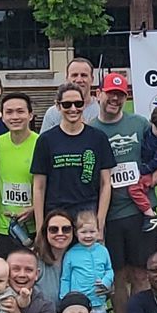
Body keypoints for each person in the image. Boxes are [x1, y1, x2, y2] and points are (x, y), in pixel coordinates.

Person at [89, 72, 157, 301]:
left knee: (141, 274)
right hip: (111, 213)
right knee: (117, 277)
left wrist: (155, 178)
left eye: (120, 95)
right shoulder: (91, 130)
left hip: (141, 212)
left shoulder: (139, 123)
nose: (115, 99)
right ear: (98, 94)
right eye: (110, 93)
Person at [31, 84, 116, 227]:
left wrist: (99, 224)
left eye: (78, 103)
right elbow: (39, 186)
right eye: (66, 104)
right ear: (58, 106)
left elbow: (106, 183)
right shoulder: (46, 140)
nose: (73, 109)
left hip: (88, 213)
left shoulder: (98, 138)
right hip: (56, 213)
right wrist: (40, 227)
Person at [0, 92, 39, 255]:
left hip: (33, 227)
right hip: (4, 226)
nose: (15, 117)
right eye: (9, 112)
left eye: (20, 111)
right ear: (3, 117)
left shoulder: (41, 143)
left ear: (30, 115)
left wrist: (33, 208)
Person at [60, 210, 116, 313]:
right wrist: (64, 298)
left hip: (98, 301)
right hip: (78, 302)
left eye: (92, 232)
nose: (88, 236)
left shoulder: (103, 251)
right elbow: (65, 278)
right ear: (76, 233)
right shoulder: (71, 254)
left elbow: (109, 269)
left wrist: (106, 281)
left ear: (98, 231)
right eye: (83, 232)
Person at [41, 57, 99, 132]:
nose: (79, 80)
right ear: (67, 78)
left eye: (84, 75)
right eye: (74, 75)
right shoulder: (53, 113)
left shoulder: (100, 112)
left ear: (92, 79)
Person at [34, 210, 77, 304]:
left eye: (66, 229)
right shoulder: (34, 261)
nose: (60, 233)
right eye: (54, 229)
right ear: (46, 233)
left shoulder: (83, 258)